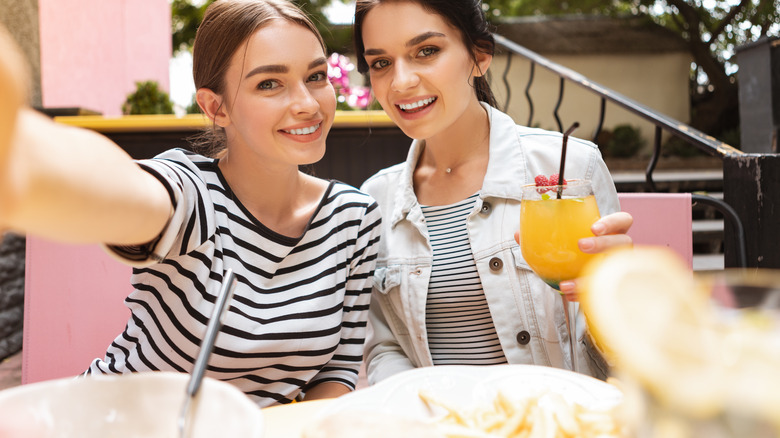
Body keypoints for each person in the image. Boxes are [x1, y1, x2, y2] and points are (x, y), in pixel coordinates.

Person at [0, 0, 382, 407]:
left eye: (316, 76)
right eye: (269, 83)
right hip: (115, 421)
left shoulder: (354, 217)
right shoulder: (191, 192)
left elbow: (337, 371)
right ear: (215, 107)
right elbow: (129, 192)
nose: (308, 103)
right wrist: (19, 162)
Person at [352, 0, 634, 383]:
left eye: (426, 51)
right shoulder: (377, 199)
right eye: (381, 63)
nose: (400, 81)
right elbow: (386, 347)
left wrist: (616, 297)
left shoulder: (568, 169)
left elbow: (619, 355)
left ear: (479, 55)